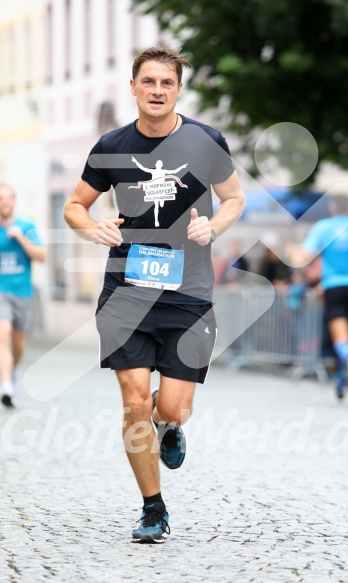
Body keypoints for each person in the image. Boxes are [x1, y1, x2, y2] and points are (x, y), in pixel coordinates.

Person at [64, 46, 244, 544]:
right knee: (135, 401)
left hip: (188, 293)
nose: (158, 91)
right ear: (134, 87)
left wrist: (214, 224)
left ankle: (171, 425)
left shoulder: (206, 141)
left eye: (167, 83)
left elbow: (234, 198)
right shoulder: (110, 145)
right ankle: (153, 508)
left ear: (178, 89)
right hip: (127, 291)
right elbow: (74, 207)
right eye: (149, 82)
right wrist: (91, 226)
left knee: (174, 409)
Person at [299, 194, 348, 399]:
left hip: (333, 286)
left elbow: (304, 255)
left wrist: (309, 276)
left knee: (340, 337)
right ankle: (342, 382)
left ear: (333, 209)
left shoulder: (322, 227)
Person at [0, 183, 45, 408]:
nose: (5, 202)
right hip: (1, 292)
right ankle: (6, 386)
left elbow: (41, 256)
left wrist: (20, 238)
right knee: (3, 334)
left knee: (17, 343)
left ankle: (12, 371)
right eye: (1, 198)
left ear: (14, 201)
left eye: (8, 198)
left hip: (23, 293)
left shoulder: (26, 226)